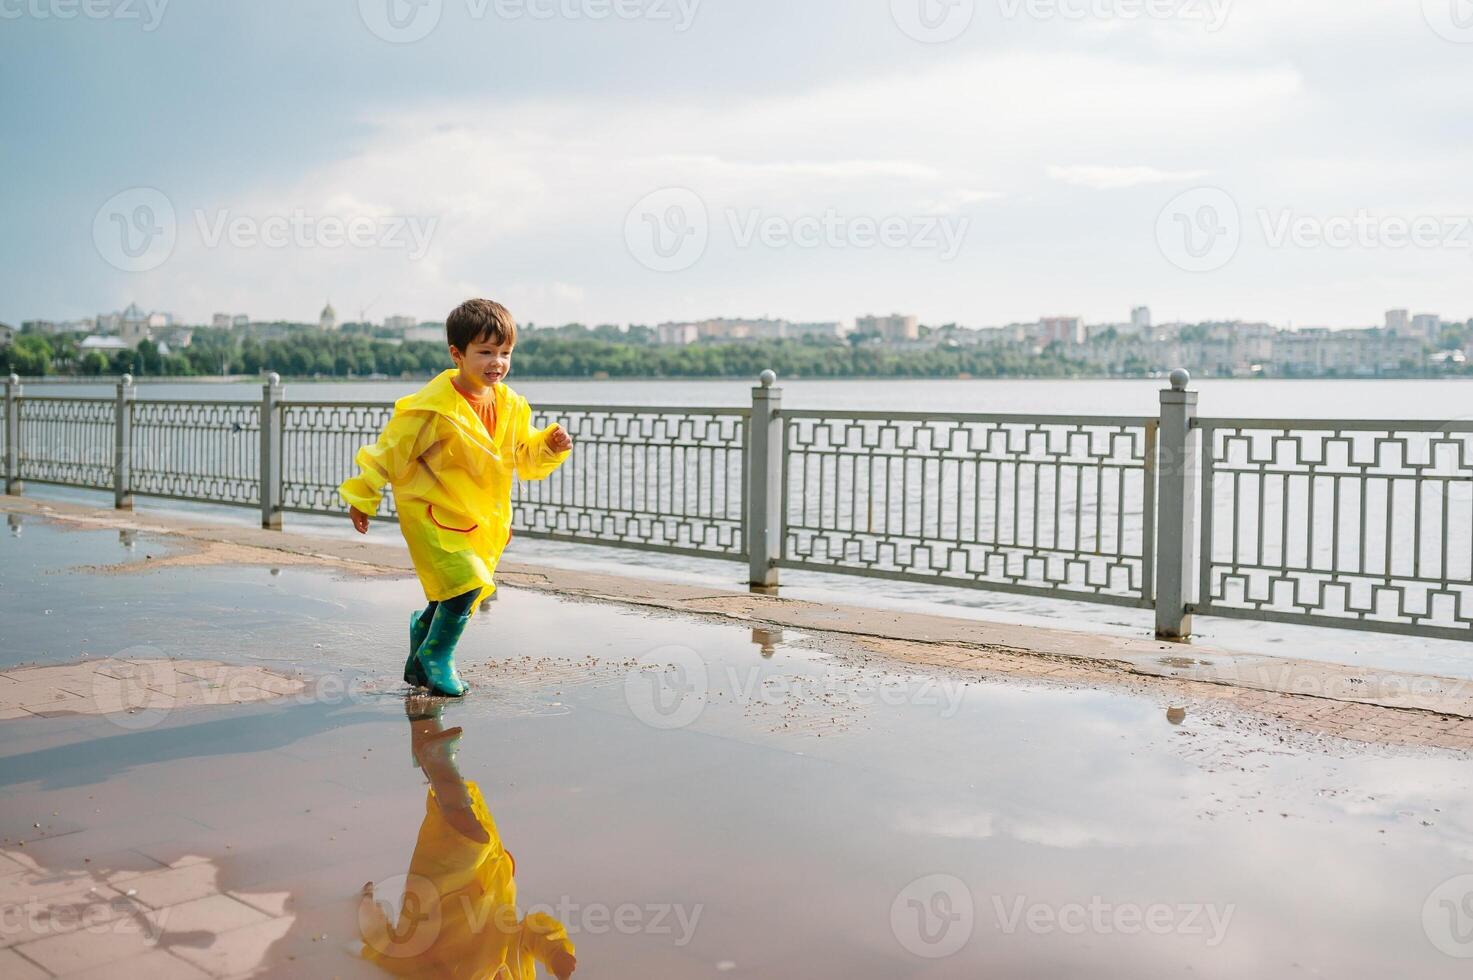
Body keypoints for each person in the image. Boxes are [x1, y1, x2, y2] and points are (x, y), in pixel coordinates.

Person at [340, 299, 572, 697]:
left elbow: (521, 455)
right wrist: (363, 495)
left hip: (482, 516)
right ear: (457, 353)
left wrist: (549, 445)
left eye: (504, 353)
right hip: (432, 513)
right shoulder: (432, 407)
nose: (496, 362)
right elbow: (389, 451)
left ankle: (422, 637)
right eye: (485, 352)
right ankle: (438, 655)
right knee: (467, 582)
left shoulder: (511, 405)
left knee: (458, 587)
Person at [359, 698, 577, 978]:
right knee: (462, 820)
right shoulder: (518, 973)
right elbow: (531, 931)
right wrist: (557, 952)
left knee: (471, 836)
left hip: (443, 891)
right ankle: (422, 717)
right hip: (488, 879)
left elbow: (394, 949)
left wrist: (366, 909)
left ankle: (435, 757)